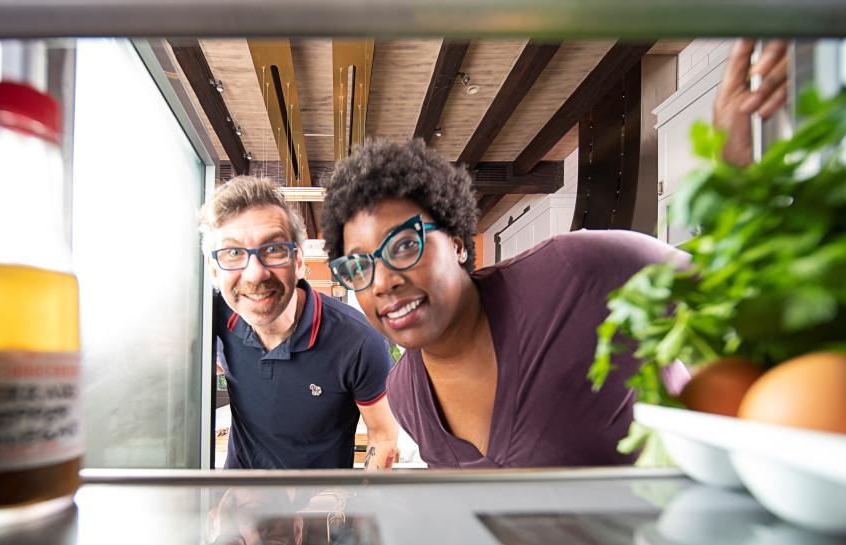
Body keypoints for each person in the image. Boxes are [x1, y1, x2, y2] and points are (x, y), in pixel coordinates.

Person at [320, 40, 788, 469]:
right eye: (358, 266)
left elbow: (732, 295)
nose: (382, 281)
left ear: (458, 241)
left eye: (404, 245)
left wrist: (738, 181)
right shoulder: (407, 394)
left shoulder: (581, 270)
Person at [201, 176, 400, 469]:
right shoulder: (211, 316)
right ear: (214, 271)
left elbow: (383, 434)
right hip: (237, 501)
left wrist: (359, 504)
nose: (255, 275)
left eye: (273, 250)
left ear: (299, 262)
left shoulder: (357, 341)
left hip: (318, 506)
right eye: (233, 253)